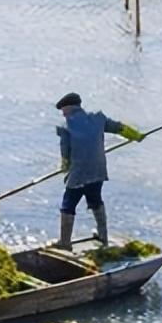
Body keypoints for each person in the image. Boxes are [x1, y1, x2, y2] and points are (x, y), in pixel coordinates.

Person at [54, 92, 144, 249]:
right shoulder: (98, 118)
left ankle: (65, 243)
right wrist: (135, 135)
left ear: (68, 108)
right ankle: (103, 237)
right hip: (98, 170)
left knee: (68, 205)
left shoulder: (66, 127)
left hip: (79, 173)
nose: (63, 114)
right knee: (95, 200)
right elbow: (118, 127)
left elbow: (66, 152)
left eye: (63, 110)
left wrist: (65, 167)